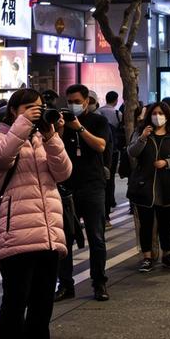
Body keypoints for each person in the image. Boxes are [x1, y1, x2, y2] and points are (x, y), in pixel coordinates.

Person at [0, 89, 73, 339]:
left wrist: (51, 137)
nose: (37, 112)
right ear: (13, 110)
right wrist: (22, 125)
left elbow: (63, 173)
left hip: (48, 231)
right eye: (29, 107)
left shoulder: (41, 139)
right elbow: (0, 157)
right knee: (14, 302)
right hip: (17, 232)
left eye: (40, 107)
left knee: (42, 302)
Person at [54, 85, 111, 301]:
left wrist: (78, 128)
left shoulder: (98, 121)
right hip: (67, 187)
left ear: (87, 101)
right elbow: (54, 149)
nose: (72, 105)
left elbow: (101, 146)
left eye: (76, 101)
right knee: (64, 239)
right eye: (69, 101)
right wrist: (60, 129)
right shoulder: (61, 122)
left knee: (96, 237)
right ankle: (66, 285)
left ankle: (99, 283)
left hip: (93, 186)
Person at [127, 103, 170, 273]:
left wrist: (167, 163)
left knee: (166, 225)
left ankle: (167, 255)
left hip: (168, 186)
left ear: (167, 116)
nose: (157, 116)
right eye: (154, 113)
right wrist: (143, 138)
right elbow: (132, 152)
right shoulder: (141, 132)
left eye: (161, 113)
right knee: (145, 225)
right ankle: (147, 257)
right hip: (145, 186)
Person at [99, 90, 121, 219]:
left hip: (102, 148)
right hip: (113, 149)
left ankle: (107, 204)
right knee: (110, 177)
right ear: (116, 100)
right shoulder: (118, 114)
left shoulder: (100, 112)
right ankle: (111, 200)